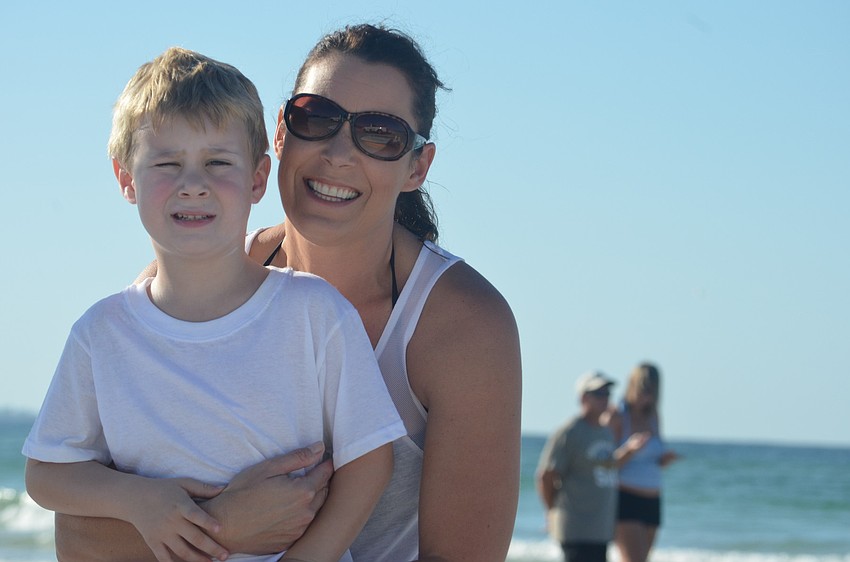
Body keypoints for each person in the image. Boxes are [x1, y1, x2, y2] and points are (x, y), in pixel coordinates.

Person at [53, 23, 522, 562]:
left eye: (381, 134)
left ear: (417, 165)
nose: (338, 153)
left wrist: (212, 530)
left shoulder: (461, 326)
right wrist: (227, 524)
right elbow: (79, 537)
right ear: (279, 134)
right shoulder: (186, 285)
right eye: (316, 118)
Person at [23, 46, 407, 562]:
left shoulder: (314, 312)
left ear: (256, 178)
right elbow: (47, 473)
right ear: (126, 180)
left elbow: (371, 460)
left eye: (217, 162)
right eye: (167, 162)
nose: (194, 185)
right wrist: (141, 501)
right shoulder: (102, 334)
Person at [536, 371, 648, 562]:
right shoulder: (569, 432)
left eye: (607, 394)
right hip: (576, 528)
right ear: (583, 397)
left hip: (600, 530)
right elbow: (546, 475)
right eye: (598, 394)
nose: (604, 398)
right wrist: (551, 511)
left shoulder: (605, 433)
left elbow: (606, 466)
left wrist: (629, 450)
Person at [604, 362, 680, 562]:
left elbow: (655, 458)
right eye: (643, 388)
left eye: (651, 390)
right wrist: (629, 450)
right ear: (632, 386)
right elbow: (603, 464)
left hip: (653, 499)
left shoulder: (653, 416)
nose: (647, 395)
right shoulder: (617, 415)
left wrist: (664, 460)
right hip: (626, 497)